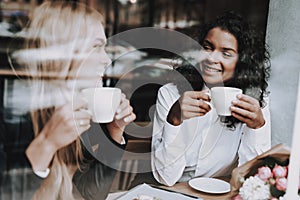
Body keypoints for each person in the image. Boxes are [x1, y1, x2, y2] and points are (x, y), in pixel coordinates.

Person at [0, 1, 136, 199]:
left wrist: (115, 132)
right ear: (64, 51)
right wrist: (46, 143)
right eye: (97, 46)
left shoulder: (74, 108)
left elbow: (90, 194)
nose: (107, 59)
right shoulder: (11, 113)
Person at [151, 11, 271, 186]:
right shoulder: (170, 94)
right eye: (207, 47)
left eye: (226, 53)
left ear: (242, 62)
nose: (211, 58)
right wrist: (174, 119)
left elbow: (252, 181)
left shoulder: (254, 102)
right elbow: (165, 178)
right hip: (174, 191)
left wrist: (257, 128)